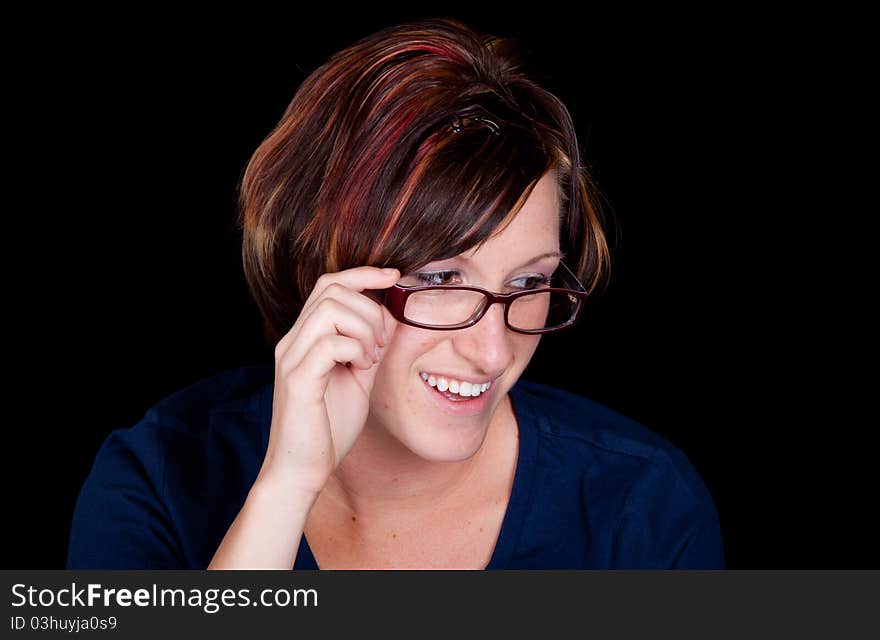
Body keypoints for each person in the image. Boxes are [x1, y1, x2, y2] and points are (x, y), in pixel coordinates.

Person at [67, 17, 724, 569]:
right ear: (316, 266)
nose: (493, 352)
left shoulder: (642, 507)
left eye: (528, 284)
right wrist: (286, 490)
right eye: (440, 279)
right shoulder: (156, 479)